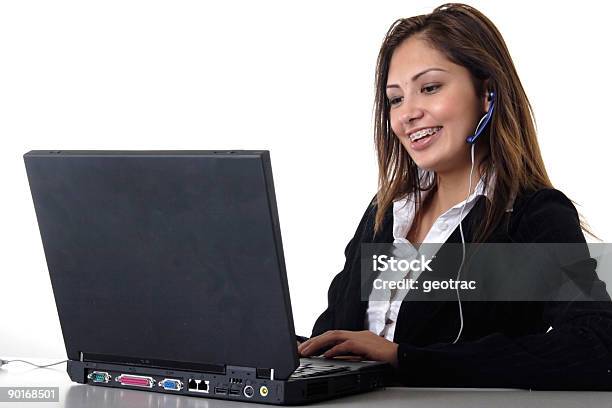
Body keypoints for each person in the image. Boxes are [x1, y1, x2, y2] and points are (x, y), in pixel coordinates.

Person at [297, 3, 612, 389]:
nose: (407, 114)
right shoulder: (386, 211)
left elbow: (598, 346)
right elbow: (332, 337)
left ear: (487, 94)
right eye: (395, 99)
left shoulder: (531, 214)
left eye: (429, 88)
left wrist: (402, 357)